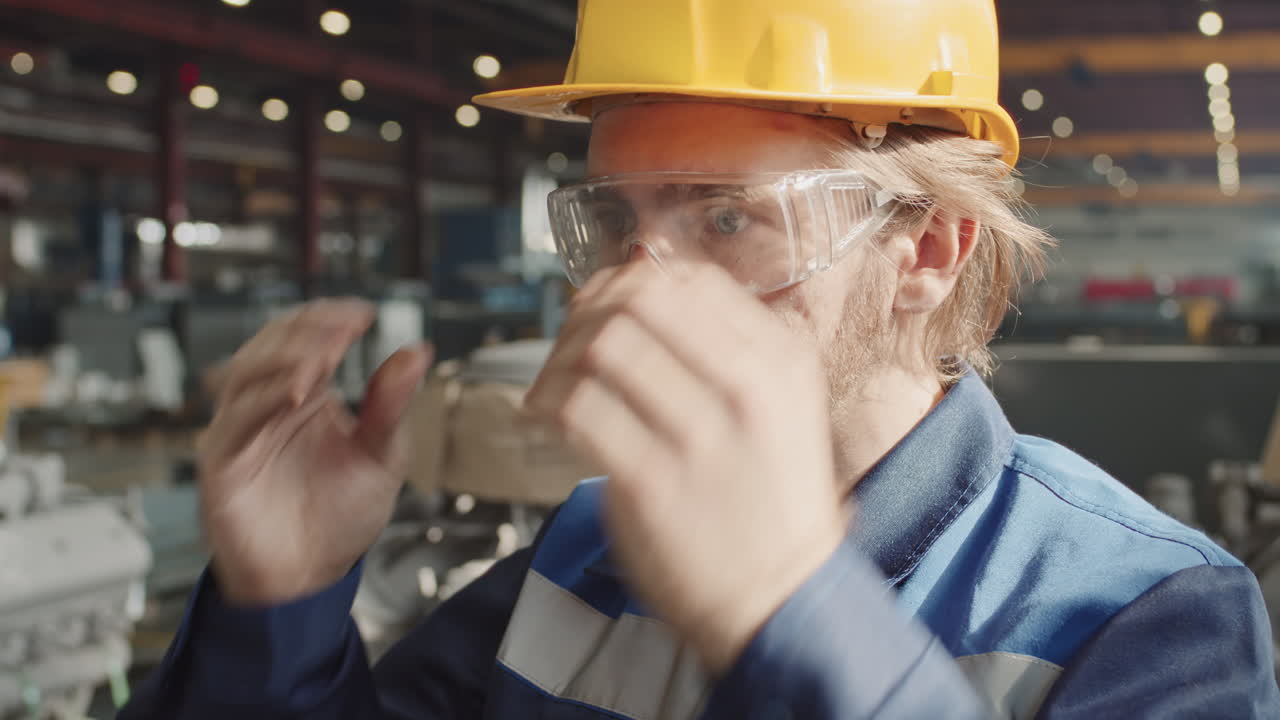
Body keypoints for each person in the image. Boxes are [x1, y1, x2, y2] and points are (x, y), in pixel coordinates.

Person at [120, 1, 1280, 718]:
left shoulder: (1146, 616)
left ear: (924, 247)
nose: (634, 281)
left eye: (724, 217)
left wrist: (794, 614)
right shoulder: (581, 555)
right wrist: (280, 605)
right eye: (615, 223)